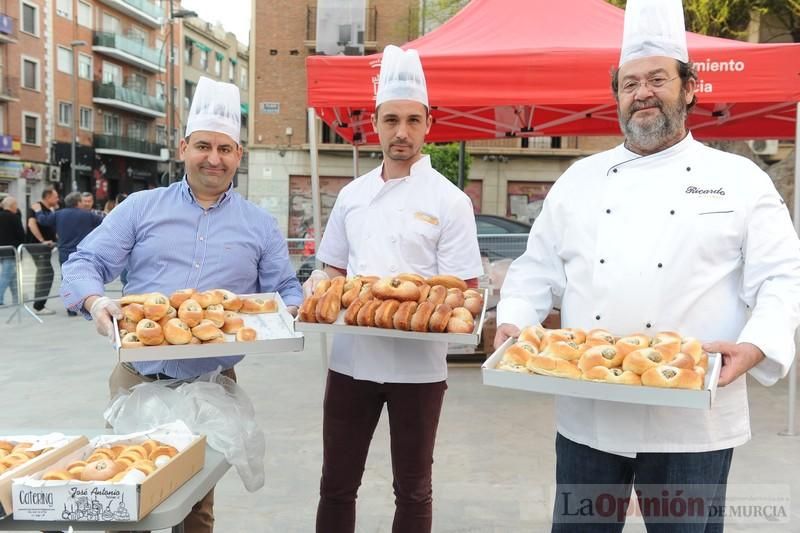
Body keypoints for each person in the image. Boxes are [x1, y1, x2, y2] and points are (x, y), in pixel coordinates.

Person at [493, 0, 800, 531]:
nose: (643, 93)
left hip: (692, 416)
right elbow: (535, 267)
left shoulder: (740, 178)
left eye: (657, 78)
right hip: (590, 412)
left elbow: (782, 275)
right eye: (630, 82)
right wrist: (514, 322)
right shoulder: (579, 179)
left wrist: (756, 345)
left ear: (691, 86)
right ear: (617, 94)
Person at [60, 76, 303, 533]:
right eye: (204, 146)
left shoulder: (259, 225)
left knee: (195, 508)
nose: (214, 159)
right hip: (136, 380)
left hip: (212, 384)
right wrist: (95, 303)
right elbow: (84, 262)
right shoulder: (140, 208)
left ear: (238, 156)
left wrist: (292, 314)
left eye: (226, 149)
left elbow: (285, 289)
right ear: (184, 147)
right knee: (130, 494)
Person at [307, 45, 483, 533]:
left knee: (413, 488)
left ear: (428, 122)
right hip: (350, 362)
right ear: (376, 123)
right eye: (390, 120)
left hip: (419, 369)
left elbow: (462, 290)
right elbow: (332, 273)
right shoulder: (352, 195)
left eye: (411, 120)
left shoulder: (449, 201)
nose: (401, 132)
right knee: (337, 484)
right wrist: (315, 291)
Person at [25, 187, 59, 315]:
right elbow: (31, 224)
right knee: (45, 273)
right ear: (48, 197)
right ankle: (38, 306)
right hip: (37, 246)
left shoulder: (50, 209)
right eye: (55, 197)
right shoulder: (36, 207)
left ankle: (39, 304)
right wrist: (41, 240)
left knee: (45, 273)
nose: (57, 199)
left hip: (45, 247)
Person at [0, 196, 25, 306]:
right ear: (12, 205)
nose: (17, 207)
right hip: (12, 251)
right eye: (16, 205)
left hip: (2, 251)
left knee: (12, 275)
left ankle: (17, 298)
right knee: (6, 276)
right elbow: (21, 235)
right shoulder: (14, 218)